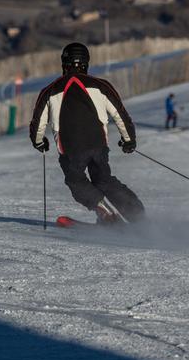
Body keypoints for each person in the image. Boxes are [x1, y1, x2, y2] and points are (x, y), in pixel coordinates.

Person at [29, 42, 144, 224]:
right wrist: (128, 140)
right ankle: (137, 215)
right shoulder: (101, 85)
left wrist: (39, 142)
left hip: (71, 148)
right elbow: (119, 114)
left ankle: (105, 213)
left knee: (75, 180)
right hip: (98, 144)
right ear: (86, 62)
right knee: (103, 179)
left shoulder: (49, 91)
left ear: (64, 64)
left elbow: (38, 124)